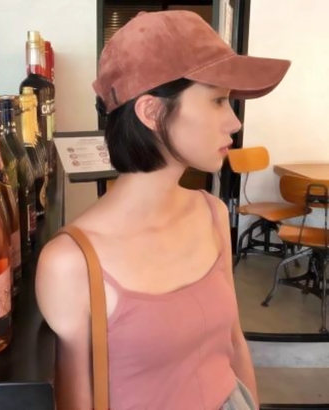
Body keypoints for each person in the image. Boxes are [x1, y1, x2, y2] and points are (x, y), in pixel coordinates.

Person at [36, 10, 290, 410]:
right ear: (151, 112)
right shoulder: (70, 263)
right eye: (218, 100)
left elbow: (234, 343)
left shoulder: (212, 214)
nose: (234, 122)